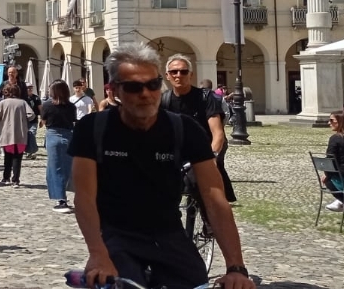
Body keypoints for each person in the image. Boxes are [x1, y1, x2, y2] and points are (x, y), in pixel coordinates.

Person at [69, 42, 255, 289]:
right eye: (134, 87)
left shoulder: (185, 129)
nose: (145, 93)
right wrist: (97, 253)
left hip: (168, 234)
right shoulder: (92, 129)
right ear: (114, 90)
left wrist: (236, 268)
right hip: (117, 235)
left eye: (153, 84)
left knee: (194, 281)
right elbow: (84, 198)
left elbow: (215, 199)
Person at [161, 54, 236, 203]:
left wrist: (212, 157)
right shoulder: (164, 100)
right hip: (176, 156)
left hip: (203, 153)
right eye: (173, 72)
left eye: (183, 71)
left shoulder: (206, 98)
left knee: (211, 203)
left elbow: (218, 133)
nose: (178, 75)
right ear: (167, 76)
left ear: (191, 74)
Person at [42, 80, 76, 211]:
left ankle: (61, 199)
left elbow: (44, 121)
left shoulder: (47, 105)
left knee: (54, 168)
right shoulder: (71, 106)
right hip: (68, 136)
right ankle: (73, 195)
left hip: (53, 135)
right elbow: (72, 121)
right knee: (68, 168)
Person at [0, 83, 34, 187]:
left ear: (6, 92)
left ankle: (6, 178)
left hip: (7, 134)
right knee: (17, 158)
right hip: (20, 134)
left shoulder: (3, 103)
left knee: (8, 157)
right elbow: (31, 115)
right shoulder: (23, 103)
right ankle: (16, 180)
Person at [323, 111, 344, 211]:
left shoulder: (335, 138)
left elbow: (330, 160)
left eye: (331, 120)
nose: (329, 123)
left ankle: (342, 201)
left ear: (341, 122)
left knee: (328, 181)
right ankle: (341, 202)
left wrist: (327, 174)